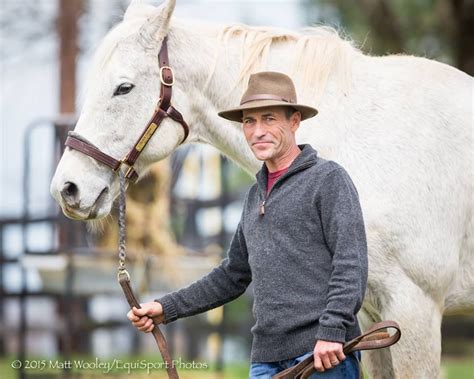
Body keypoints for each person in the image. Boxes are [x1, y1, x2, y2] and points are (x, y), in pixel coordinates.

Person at [127, 71, 368, 378]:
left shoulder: (328, 179)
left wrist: (333, 331)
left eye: (269, 119)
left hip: (323, 356)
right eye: (249, 122)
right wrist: (166, 307)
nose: (258, 131)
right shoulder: (255, 196)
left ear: (294, 121)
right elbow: (232, 276)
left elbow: (351, 262)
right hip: (265, 361)